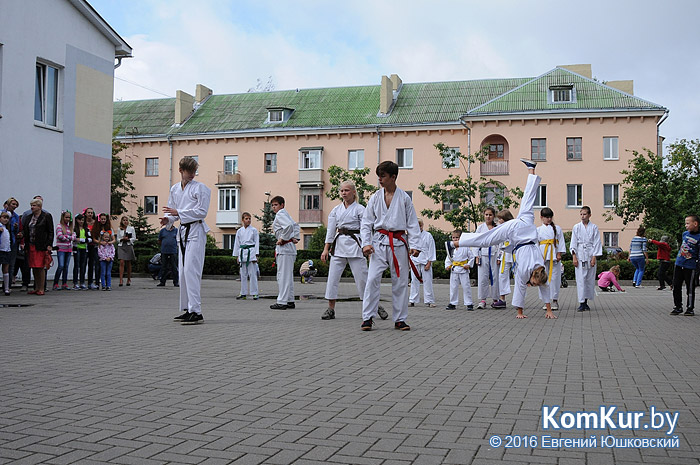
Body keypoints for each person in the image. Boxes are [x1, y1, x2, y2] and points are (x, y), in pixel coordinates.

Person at [454, 159, 555, 319]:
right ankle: (457, 242)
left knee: (528, 197)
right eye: (533, 283)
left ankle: (531, 169)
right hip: (517, 230)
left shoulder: (541, 267)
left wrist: (549, 310)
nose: (532, 285)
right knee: (487, 239)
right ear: (534, 276)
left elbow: (544, 286)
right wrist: (520, 313)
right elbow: (521, 289)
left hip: (527, 224)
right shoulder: (525, 271)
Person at [360, 161, 421, 331]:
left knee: (400, 282)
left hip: (399, 243)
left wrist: (415, 244)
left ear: (393, 177)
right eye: (379, 175)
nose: (380, 179)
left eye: (383, 176)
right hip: (379, 242)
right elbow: (366, 222)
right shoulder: (375, 197)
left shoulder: (404, 198)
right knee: (372, 279)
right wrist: (366, 243)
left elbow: (412, 223)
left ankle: (400, 319)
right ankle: (367, 317)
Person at [320, 181, 388, 321]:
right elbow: (330, 231)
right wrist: (326, 249)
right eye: (342, 191)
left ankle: (374, 305)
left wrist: (367, 246)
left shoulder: (360, 209)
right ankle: (330, 308)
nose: (344, 193)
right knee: (332, 278)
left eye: (347, 190)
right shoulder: (336, 210)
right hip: (339, 246)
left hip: (356, 246)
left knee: (363, 280)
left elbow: (366, 229)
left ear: (353, 192)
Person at [163, 156, 211, 325]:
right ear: (180, 170)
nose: (192, 175)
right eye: (189, 171)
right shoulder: (175, 189)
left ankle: (197, 311)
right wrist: (167, 220)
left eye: (194, 171)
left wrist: (178, 213)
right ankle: (188, 308)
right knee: (183, 271)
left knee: (192, 270)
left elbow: (202, 212)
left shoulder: (201, 188)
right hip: (183, 231)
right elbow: (171, 211)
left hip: (196, 230)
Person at [570, 205, 602, 312]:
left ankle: (586, 302)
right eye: (581, 214)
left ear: (589, 215)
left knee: (589, 279)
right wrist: (574, 256)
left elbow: (597, 243)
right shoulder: (576, 227)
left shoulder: (594, 227)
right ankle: (581, 302)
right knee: (580, 279)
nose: (582, 216)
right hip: (580, 254)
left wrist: (594, 257)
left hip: (590, 253)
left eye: (584, 214)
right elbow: (573, 242)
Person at [269, 196, 300, 309]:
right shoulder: (286, 214)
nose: (274, 207)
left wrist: (282, 238)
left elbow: (288, 226)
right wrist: (295, 237)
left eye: (276, 205)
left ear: (282, 205)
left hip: (285, 248)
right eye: (272, 205)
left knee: (282, 276)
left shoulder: (281, 214)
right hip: (289, 248)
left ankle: (282, 301)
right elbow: (295, 226)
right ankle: (290, 300)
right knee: (288, 276)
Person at [20, 198, 53, 295]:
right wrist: (22, 235)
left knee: (40, 266)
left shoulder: (46, 216)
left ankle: (41, 288)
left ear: (40, 207)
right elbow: (26, 229)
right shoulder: (29, 217)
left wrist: (49, 244)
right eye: (31, 205)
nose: (32, 207)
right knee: (34, 266)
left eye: (34, 205)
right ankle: (36, 287)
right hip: (30, 244)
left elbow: (50, 231)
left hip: (41, 245)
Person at [537, 207, 566, 310]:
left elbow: (561, 242)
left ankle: (554, 300)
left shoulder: (557, 228)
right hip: (543, 255)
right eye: (546, 217)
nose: (549, 219)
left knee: (554, 278)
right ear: (541, 217)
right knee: (543, 278)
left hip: (554, 255)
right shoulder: (538, 230)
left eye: (550, 217)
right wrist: (537, 258)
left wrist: (559, 253)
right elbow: (536, 245)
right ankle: (546, 300)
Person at [670, 215, 700, 316]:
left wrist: (697, 268)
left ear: (695, 224)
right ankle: (678, 306)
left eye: (688, 223)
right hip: (679, 263)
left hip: (690, 266)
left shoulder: (699, 237)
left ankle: (690, 308)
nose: (685, 225)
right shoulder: (685, 234)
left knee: (690, 288)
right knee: (676, 286)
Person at [474, 207, 499, 309]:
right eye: (486, 215)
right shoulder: (480, 228)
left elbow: (501, 242)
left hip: (494, 254)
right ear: (483, 215)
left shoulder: (497, 227)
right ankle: (482, 299)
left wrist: (500, 257)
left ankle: (495, 299)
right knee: (482, 278)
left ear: (494, 216)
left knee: (495, 277)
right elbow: (475, 241)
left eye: (490, 215)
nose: (488, 217)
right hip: (483, 255)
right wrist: (476, 255)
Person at [409, 219, 437, 308]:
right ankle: (412, 300)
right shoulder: (411, 236)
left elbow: (431, 250)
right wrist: (410, 262)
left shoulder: (428, 235)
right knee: (414, 281)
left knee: (427, 281)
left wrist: (429, 263)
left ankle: (430, 300)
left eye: (420, 225)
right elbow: (409, 250)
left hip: (425, 261)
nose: (418, 227)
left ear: (422, 226)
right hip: (415, 261)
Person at [445, 229, 474, 310]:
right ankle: (452, 303)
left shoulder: (466, 247)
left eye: (457, 238)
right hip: (454, 269)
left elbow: (472, 257)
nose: (455, 239)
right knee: (453, 287)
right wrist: (447, 265)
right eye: (453, 238)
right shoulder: (451, 248)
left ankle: (469, 303)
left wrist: (468, 264)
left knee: (466, 287)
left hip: (463, 269)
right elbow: (449, 258)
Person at [232, 212, 259, 298]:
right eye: (246, 219)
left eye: (249, 219)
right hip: (242, 252)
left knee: (252, 274)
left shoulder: (254, 230)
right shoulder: (239, 231)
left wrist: (256, 255)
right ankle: (243, 293)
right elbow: (237, 243)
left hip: (251, 252)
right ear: (243, 220)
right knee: (243, 274)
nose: (248, 220)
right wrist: (237, 256)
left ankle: (254, 293)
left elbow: (256, 242)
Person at [492, 210, 514, 309]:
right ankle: (502, 299)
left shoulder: (514, 227)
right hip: (504, 255)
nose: (499, 220)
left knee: (518, 276)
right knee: (502, 276)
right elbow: (499, 244)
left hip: (514, 254)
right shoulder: (501, 229)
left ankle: (519, 300)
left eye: (500, 219)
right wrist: (499, 257)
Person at [53, 210, 75, 290]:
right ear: (63, 217)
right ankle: (55, 283)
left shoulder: (70, 227)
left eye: (69, 217)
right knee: (61, 266)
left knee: (66, 266)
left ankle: (64, 283)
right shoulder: (59, 226)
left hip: (68, 249)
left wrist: (67, 237)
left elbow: (74, 237)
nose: (68, 219)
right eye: (66, 217)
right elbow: (59, 236)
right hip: (61, 249)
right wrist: (68, 237)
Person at [2, 198, 20, 287]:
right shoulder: (2, 213)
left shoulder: (16, 216)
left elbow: (17, 231)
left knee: (10, 265)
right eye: (13, 204)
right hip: (1, 242)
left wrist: (16, 228)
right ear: (8, 204)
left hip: (11, 242)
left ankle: (7, 286)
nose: (14, 206)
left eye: (16, 205)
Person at [116, 216, 137, 287]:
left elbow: (134, 238)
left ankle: (128, 278)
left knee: (128, 262)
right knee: (121, 262)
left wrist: (129, 239)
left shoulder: (131, 228)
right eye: (124, 220)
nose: (125, 221)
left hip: (128, 245)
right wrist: (122, 239)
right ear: (121, 221)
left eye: (126, 220)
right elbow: (118, 239)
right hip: (121, 246)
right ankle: (121, 279)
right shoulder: (119, 229)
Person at [72, 213, 90, 289]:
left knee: (83, 265)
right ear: (77, 220)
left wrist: (82, 240)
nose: (81, 221)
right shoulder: (75, 229)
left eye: (83, 220)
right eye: (80, 220)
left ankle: (82, 282)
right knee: (77, 265)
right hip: (77, 248)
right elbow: (74, 238)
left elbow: (89, 238)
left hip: (84, 248)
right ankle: (75, 282)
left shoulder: (86, 229)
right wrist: (83, 240)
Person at [84, 207, 100, 290]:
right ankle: (83, 282)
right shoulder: (84, 223)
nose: (90, 214)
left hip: (93, 245)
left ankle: (91, 282)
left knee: (92, 264)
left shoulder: (95, 223)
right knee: (83, 264)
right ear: (85, 214)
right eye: (88, 212)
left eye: (91, 213)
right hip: (85, 245)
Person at [0, 212, 11, 295]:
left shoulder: (6, 228)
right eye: (4, 217)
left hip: (6, 250)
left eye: (7, 218)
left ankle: (6, 288)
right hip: (0, 250)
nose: (6, 219)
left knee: (6, 269)